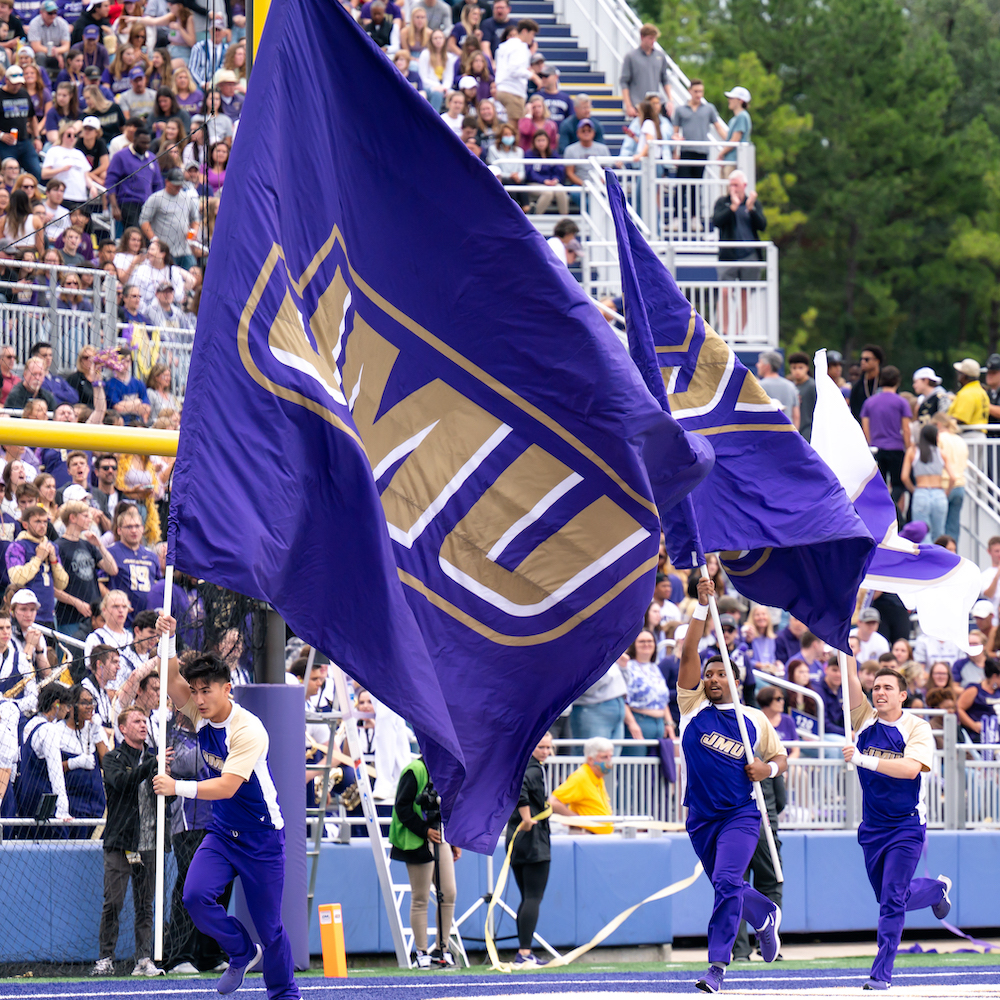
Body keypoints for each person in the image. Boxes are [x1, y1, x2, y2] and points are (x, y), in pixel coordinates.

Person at [152, 614, 302, 997]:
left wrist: (176, 787)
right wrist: (167, 639)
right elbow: (170, 681)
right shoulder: (198, 713)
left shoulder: (247, 729)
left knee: (270, 928)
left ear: (227, 689)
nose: (199, 699)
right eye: (196, 691)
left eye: (207, 691)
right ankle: (239, 951)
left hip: (261, 837)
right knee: (194, 895)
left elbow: (228, 786)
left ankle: (285, 994)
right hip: (222, 833)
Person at [678, 577, 784, 993]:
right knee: (729, 885)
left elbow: (781, 759)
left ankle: (717, 968)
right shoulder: (691, 707)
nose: (714, 678)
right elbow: (689, 651)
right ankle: (764, 914)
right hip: (700, 817)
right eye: (710, 673)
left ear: (735, 681)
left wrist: (767, 771)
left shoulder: (754, 718)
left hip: (740, 815)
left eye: (722, 672)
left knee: (725, 884)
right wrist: (703, 607)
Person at [840, 656, 952, 990]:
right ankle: (935, 889)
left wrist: (861, 759)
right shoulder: (863, 719)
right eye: (876, 688)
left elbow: (910, 769)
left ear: (903, 695)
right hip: (873, 827)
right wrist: (843, 641)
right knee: (890, 896)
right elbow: (849, 676)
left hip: (906, 825)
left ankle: (881, 974)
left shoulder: (916, 727)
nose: (880, 693)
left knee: (891, 900)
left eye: (888, 687)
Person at [91, 706, 163, 976]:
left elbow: (169, 798)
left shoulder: (154, 759)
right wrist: (151, 766)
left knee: (145, 903)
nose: (143, 725)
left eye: (145, 720)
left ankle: (143, 959)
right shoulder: (113, 758)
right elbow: (122, 783)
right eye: (136, 721)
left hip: (147, 843)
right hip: (122, 843)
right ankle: (105, 958)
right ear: (122, 728)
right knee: (114, 902)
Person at [387, 753, 459, 968]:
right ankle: (421, 952)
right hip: (418, 839)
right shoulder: (415, 770)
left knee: (448, 892)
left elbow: (450, 807)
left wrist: (454, 837)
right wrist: (424, 830)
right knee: (420, 897)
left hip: (440, 835)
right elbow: (403, 807)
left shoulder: (447, 772)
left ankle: (442, 948)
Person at [505, 731, 552, 967]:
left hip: (517, 841)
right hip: (532, 842)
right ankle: (524, 953)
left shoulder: (520, 765)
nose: (546, 752)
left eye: (549, 747)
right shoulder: (532, 769)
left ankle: (524, 952)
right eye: (542, 747)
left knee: (527, 898)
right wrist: (526, 817)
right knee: (533, 897)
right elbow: (521, 790)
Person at [713, 171, 766, 334]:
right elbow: (717, 221)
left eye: (736, 184)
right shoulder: (723, 202)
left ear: (744, 185)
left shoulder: (753, 203)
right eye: (730, 185)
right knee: (725, 291)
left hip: (749, 255)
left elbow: (762, 225)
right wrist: (733, 208)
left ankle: (739, 333)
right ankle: (725, 331)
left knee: (745, 294)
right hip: (728, 255)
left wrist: (751, 209)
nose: (733, 188)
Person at [861, 366, 911, 507]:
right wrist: (908, 448)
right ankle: (893, 505)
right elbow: (906, 428)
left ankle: (881, 509)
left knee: (878, 485)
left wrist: (870, 445)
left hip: (877, 448)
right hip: (896, 447)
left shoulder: (870, 402)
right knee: (898, 484)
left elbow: (866, 428)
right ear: (898, 381)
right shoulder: (901, 402)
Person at [901, 423, 958, 543]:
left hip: (921, 491)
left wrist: (913, 489)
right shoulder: (941, 453)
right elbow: (953, 477)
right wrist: (946, 492)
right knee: (939, 533)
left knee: (922, 534)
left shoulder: (913, 451)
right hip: (938, 492)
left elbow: (904, 477)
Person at [622, 629, 675, 755]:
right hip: (639, 722)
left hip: (659, 725)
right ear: (634, 645)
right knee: (636, 769)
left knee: (656, 771)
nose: (646, 644)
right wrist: (632, 723)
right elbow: (621, 699)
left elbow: (664, 700)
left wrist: (669, 723)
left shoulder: (655, 668)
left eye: (650, 641)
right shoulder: (628, 667)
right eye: (642, 641)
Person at [548, 735, 614, 835]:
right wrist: (577, 821)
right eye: (604, 757)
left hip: (596, 836)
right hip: (585, 835)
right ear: (591, 760)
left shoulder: (597, 776)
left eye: (610, 756)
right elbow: (553, 802)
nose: (609, 761)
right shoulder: (581, 777)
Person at [104, 503, 160, 619]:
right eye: (129, 527)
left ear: (143, 529)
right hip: (122, 619)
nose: (134, 530)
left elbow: (158, 586)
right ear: (119, 530)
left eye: (137, 526)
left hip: (148, 619)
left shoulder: (151, 556)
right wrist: (118, 603)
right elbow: (99, 582)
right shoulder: (110, 552)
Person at [139, 165, 198, 270]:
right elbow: (144, 220)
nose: (178, 187)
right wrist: (153, 238)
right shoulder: (156, 198)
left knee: (193, 270)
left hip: (184, 249)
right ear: (167, 182)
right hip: (165, 251)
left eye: (180, 185)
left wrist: (193, 232)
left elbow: (195, 219)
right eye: (175, 185)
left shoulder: (187, 198)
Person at [105, 127, 163, 232]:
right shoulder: (120, 156)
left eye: (148, 143)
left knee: (147, 236)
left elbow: (158, 185)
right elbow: (110, 182)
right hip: (128, 202)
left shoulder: (152, 158)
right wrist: (114, 206)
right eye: (142, 143)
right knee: (134, 233)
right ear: (134, 140)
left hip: (148, 203)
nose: (146, 146)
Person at [619, 23, 671, 122]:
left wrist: (670, 100)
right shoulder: (631, 57)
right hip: (639, 104)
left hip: (656, 103)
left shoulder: (660, 56)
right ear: (642, 37)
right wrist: (628, 105)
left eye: (654, 38)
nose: (653, 41)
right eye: (650, 38)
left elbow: (665, 79)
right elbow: (624, 82)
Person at [0, 65, 42, 180]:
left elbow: (32, 117)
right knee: (10, 173)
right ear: (6, 80)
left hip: (24, 140)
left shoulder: (24, 94)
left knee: (36, 171)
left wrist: (37, 137)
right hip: (5, 144)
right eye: (14, 83)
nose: (16, 86)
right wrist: (2, 135)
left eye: (19, 83)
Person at [493, 18, 537, 123]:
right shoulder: (520, 47)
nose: (533, 38)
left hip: (501, 89)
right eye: (532, 34)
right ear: (525, 31)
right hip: (513, 91)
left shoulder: (505, 46)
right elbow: (514, 70)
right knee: (514, 129)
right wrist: (533, 76)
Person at [956, 660, 1000, 743]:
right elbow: (959, 708)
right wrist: (973, 725)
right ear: (995, 676)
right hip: (980, 735)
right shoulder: (974, 690)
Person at [754, 351, 799, 427]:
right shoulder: (791, 386)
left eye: (760, 362)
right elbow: (796, 415)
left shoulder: (758, 386)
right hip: (788, 433)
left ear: (767, 366)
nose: (757, 365)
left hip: (766, 433)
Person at [949, 358, 990, 439]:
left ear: (963, 376)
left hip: (968, 435)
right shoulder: (981, 392)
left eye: (959, 373)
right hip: (980, 436)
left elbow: (960, 418)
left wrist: (941, 420)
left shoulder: (967, 393)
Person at [563, 117, 610, 187]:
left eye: (589, 130)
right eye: (583, 131)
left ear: (594, 133)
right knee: (575, 193)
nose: (586, 133)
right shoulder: (570, 150)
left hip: (600, 185)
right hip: (579, 185)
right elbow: (570, 173)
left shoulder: (603, 149)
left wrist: (599, 184)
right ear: (577, 133)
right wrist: (584, 184)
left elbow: (608, 171)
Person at [787, 351, 816, 442]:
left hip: (809, 429)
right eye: (794, 368)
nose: (797, 371)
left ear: (807, 368)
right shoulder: (790, 386)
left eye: (800, 367)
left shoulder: (812, 386)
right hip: (795, 429)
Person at [850, 345, 884, 423]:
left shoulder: (886, 382)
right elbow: (854, 412)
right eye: (861, 359)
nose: (863, 362)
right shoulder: (857, 387)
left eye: (866, 359)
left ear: (877, 361)